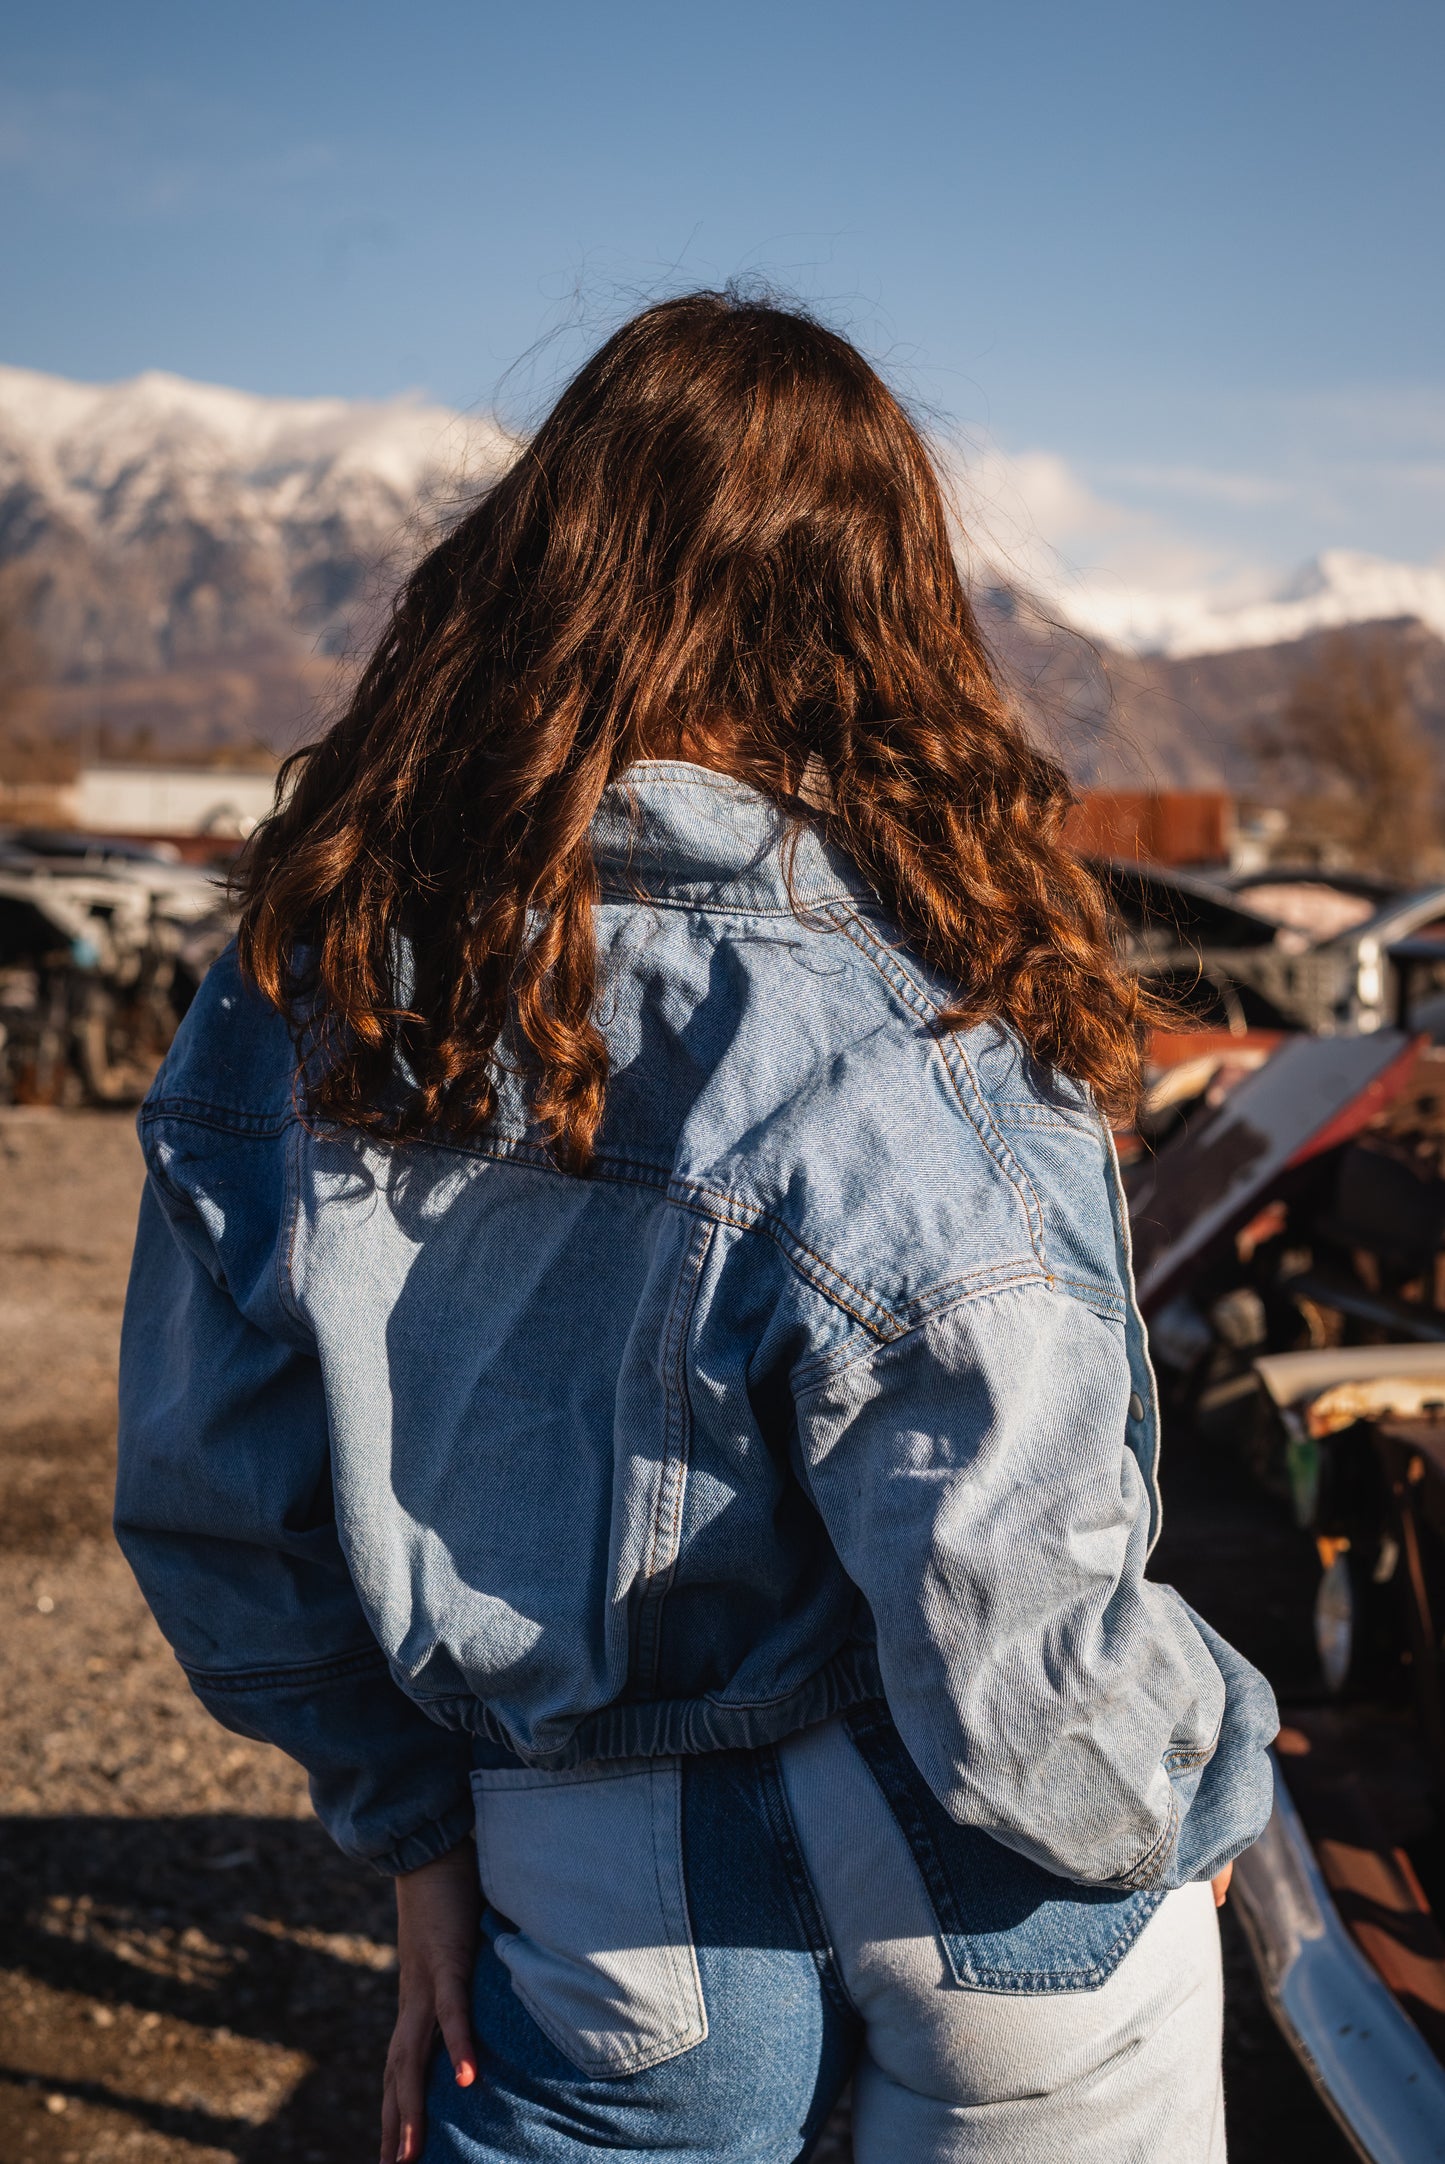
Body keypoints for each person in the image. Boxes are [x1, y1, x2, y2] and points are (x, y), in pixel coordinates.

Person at [116, 290, 1277, 2164]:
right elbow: (1006, 1577)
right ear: (880, 601)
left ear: (542, 563)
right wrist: (1170, 1804)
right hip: (994, 1904)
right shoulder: (921, 981)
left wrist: (413, 1832)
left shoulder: (316, 974)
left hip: (600, 1889)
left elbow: (210, 1492)